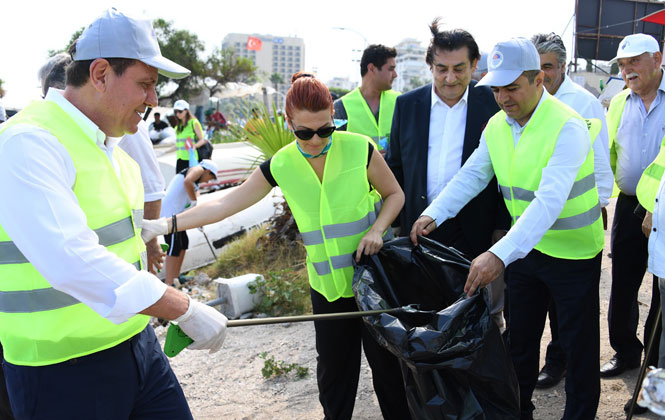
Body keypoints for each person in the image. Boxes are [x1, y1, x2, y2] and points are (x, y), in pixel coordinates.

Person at [0, 9, 228, 419]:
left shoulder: (111, 147)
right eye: (145, 85)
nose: (154, 101)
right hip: (60, 371)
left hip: (136, 346)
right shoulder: (27, 143)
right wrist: (182, 307)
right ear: (101, 73)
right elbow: (70, 259)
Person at [142, 72, 411, 420]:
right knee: (335, 381)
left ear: (334, 115)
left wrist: (377, 229)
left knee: (391, 376)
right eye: (304, 132)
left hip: (374, 283)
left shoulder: (360, 148)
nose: (315, 140)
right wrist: (165, 224)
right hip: (326, 290)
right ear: (289, 123)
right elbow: (225, 205)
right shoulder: (281, 164)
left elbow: (395, 194)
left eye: (325, 129)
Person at [411, 38, 604, 420]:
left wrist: (498, 254)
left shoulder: (568, 126)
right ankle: (518, 412)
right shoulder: (497, 126)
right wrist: (433, 214)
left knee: (578, 348)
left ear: (538, 81)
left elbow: (548, 202)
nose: (503, 98)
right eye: (497, 89)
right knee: (519, 343)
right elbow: (472, 174)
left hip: (573, 253)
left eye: (512, 87)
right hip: (527, 251)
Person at [386, 21, 509, 327]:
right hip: (420, 228)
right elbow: (397, 168)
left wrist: (500, 225)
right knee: (425, 315)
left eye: (459, 68)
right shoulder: (407, 105)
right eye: (441, 68)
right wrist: (399, 224)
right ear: (430, 65)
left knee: (479, 317)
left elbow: (506, 172)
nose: (450, 78)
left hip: (475, 229)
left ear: (475, 65)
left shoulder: (492, 105)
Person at [531, 32, 614, 389]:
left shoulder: (582, 103)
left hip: (573, 223)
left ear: (563, 66)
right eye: (536, 67)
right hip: (534, 221)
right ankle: (551, 360)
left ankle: (561, 361)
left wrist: (600, 204)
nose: (542, 75)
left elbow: (599, 159)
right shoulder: (523, 101)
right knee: (541, 301)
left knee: (570, 308)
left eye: (548, 67)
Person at [38, 52, 167, 276]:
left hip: (121, 278)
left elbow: (152, 188)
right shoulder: (39, 137)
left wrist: (151, 243)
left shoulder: (126, 125)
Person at [602, 33, 664, 381]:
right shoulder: (619, 103)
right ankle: (625, 351)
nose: (627, 71)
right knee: (624, 281)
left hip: (664, 207)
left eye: (634, 62)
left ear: (656, 59)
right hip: (628, 205)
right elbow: (607, 153)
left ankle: (654, 364)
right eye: (623, 65)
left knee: (661, 285)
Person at [161, 160, 218, 286]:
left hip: (178, 216)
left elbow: (195, 197)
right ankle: (169, 283)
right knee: (173, 248)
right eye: (210, 177)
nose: (208, 181)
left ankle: (176, 277)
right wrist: (193, 202)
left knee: (183, 244)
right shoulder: (198, 169)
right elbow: (187, 182)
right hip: (170, 215)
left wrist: (197, 216)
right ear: (207, 171)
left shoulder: (196, 182)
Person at [334, 44, 399, 153]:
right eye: (391, 69)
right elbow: (337, 151)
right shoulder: (341, 107)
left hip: (393, 170)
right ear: (372, 68)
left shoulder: (400, 101)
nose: (395, 75)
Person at [174, 99, 207, 173]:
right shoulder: (178, 127)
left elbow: (202, 140)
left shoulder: (193, 123)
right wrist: (164, 152)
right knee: (180, 183)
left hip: (191, 159)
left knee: (190, 183)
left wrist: (194, 146)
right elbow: (178, 144)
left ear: (186, 110)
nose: (177, 114)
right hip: (180, 159)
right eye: (176, 112)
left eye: (180, 111)